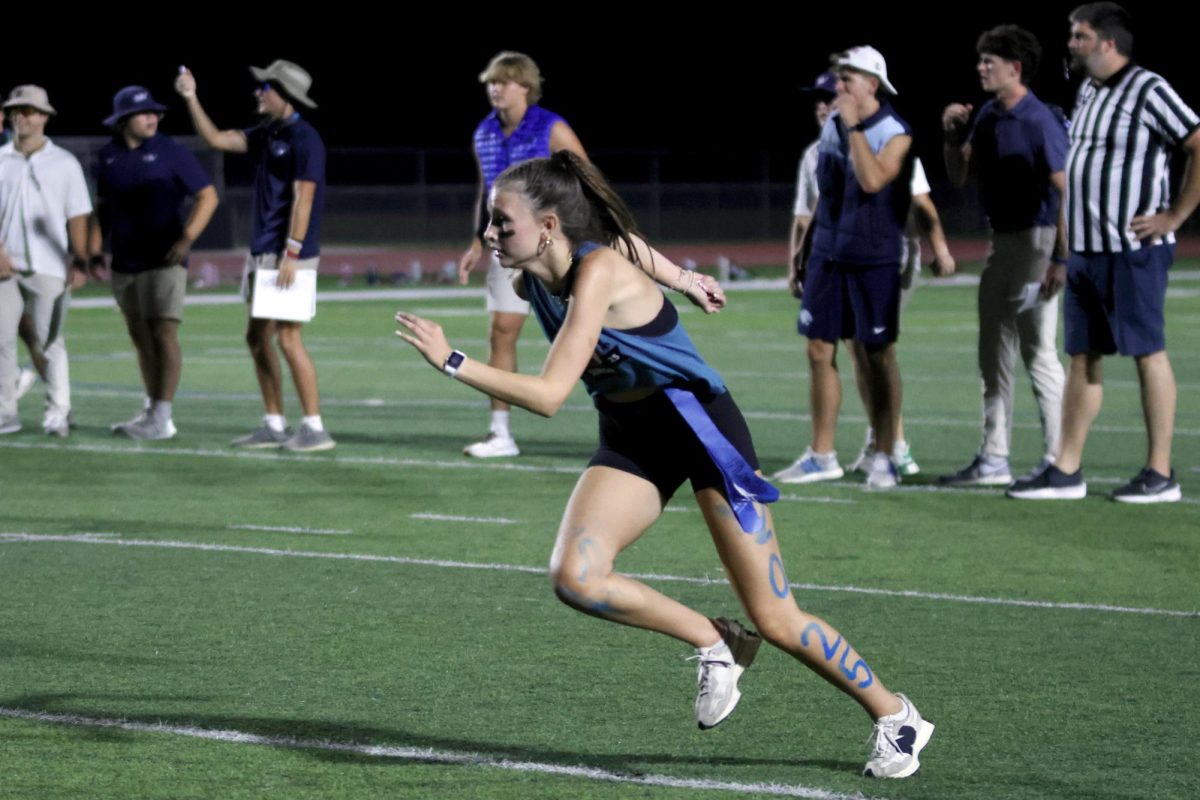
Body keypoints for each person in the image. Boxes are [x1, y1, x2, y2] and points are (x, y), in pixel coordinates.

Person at [396, 152, 935, 779]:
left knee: (776, 617)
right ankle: (715, 641)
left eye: (500, 221)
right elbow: (629, 240)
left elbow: (547, 396)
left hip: (699, 428)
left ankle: (897, 717)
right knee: (575, 576)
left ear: (547, 225)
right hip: (632, 434)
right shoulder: (532, 277)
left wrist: (452, 360)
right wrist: (683, 277)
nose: (488, 233)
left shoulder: (595, 272)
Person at [1009, 2, 1199, 502]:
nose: (1071, 43)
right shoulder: (1089, 89)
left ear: (1108, 43)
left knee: (1147, 354)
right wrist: (1064, 247)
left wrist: (1174, 216)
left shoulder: (1149, 89)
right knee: (1081, 358)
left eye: (1080, 35)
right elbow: (1079, 172)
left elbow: (1198, 141)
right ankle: (1066, 469)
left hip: (1132, 249)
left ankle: (1160, 473)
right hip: (1087, 252)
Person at [780, 73, 956, 485]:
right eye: (820, 99)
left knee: (872, 351)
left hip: (882, 257)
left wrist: (941, 249)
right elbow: (809, 214)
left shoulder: (884, 135)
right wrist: (798, 261)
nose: (826, 105)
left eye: (834, 96)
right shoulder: (817, 149)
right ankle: (859, 448)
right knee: (841, 349)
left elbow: (921, 200)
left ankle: (893, 445)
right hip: (835, 256)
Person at [175, 60, 335, 452]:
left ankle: (314, 427)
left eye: (266, 87)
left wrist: (292, 253)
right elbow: (215, 139)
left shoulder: (304, 138)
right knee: (257, 336)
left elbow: (304, 197)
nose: (258, 92)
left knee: (288, 338)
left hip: (287, 254)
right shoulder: (268, 133)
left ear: (285, 95)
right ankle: (274, 423)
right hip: (265, 251)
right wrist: (191, 97)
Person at [941, 25, 1068, 487]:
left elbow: (1064, 190)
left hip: (1039, 241)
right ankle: (994, 457)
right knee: (992, 353)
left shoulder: (1039, 119)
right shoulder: (990, 115)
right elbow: (960, 176)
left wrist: (1062, 258)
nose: (980, 67)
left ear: (1015, 68)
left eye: (989, 60)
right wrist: (953, 137)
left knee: (1039, 352)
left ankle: (1059, 458)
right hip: (1003, 244)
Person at [456, 51, 587, 458]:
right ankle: (500, 433)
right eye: (492, 81)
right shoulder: (483, 132)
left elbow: (586, 179)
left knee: (592, 332)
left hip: (554, 246)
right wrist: (478, 240)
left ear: (525, 87)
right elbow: (486, 191)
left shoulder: (552, 127)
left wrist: (579, 236)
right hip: (506, 248)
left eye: (505, 81)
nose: (496, 88)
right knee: (501, 331)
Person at [90, 85, 219, 440]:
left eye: (155, 112)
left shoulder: (170, 151)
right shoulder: (108, 156)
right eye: (143, 112)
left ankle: (163, 415)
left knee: (164, 333)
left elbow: (208, 196)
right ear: (122, 120)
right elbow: (103, 206)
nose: (153, 117)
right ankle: (152, 409)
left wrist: (187, 238)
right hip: (125, 262)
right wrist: (96, 247)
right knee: (140, 335)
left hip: (164, 259)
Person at [0, 85, 93, 437]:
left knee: (50, 341)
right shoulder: (1, 160)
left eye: (28, 111)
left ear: (43, 117)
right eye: (15, 110)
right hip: (5, 267)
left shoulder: (64, 163)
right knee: (2, 341)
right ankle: (5, 412)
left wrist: (80, 262)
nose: (20, 117)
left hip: (49, 266)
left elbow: (79, 215)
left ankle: (58, 411)